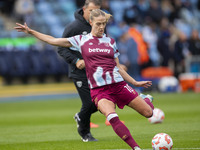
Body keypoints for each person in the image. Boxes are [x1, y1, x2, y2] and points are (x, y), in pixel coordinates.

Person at [14, 9, 154, 150]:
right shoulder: (81, 40)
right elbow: (53, 40)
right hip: (100, 91)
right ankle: (136, 148)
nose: (101, 27)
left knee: (149, 113)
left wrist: (134, 82)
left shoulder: (110, 41)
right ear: (91, 22)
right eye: (98, 24)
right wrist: (31, 32)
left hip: (118, 85)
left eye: (104, 24)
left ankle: (146, 99)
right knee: (112, 117)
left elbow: (118, 67)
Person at [57, 0, 102, 142]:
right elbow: (61, 48)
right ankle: (85, 133)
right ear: (84, 9)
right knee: (89, 103)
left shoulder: (99, 25)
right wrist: (76, 61)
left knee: (104, 101)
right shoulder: (74, 27)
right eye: (91, 11)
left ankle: (81, 116)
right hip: (79, 73)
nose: (94, 14)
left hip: (96, 72)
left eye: (97, 11)